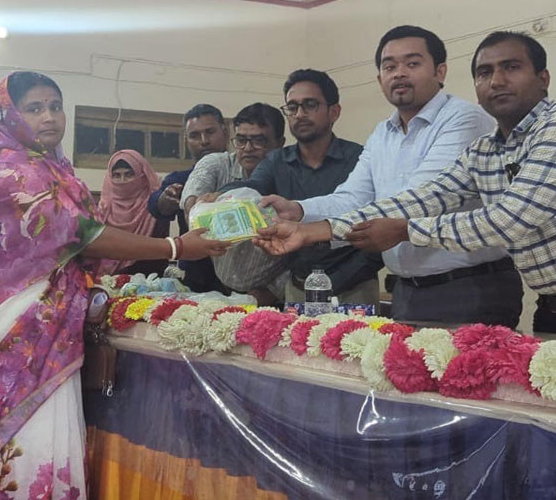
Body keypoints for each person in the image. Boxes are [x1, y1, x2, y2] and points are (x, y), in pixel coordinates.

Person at [0, 72, 228, 500]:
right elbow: (83, 236)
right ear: (9, 116)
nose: (49, 117)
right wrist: (177, 247)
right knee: (10, 452)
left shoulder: (57, 171)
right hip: (8, 330)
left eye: (55, 106)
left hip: (50, 333)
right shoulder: (12, 174)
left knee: (44, 444)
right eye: (34, 108)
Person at [256, 32, 556, 337]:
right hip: (554, 307)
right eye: (485, 73)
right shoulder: (485, 150)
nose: (496, 81)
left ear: (543, 78)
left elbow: (507, 221)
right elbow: (427, 198)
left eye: (511, 68)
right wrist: (311, 230)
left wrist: (405, 230)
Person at [262, 27, 521, 326]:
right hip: (407, 290)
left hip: (470, 287)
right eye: (389, 66)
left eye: (412, 63)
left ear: (440, 71)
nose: (399, 73)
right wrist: (297, 210)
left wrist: (315, 231)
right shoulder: (382, 133)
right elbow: (353, 197)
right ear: (379, 79)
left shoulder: (463, 119)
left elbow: (421, 199)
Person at [226, 69, 383, 304]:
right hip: (299, 286)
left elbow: (380, 220)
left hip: (355, 287)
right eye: (292, 107)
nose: (299, 114)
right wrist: (217, 196)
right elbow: (253, 186)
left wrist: (339, 279)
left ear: (334, 111)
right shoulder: (277, 161)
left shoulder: (360, 159)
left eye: (310, 105)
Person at [147, 104, 229, 291]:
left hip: (243, 281)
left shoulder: (245, 174)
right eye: (194, 136)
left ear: (225, 132)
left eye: (210, 132)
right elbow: (155, 205)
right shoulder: (180, 180)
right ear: (186, 141)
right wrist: (166, 200)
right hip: (196, 280)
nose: (204, 141)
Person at [181, 102, 286, 213]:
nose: (248, 148)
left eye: (258, 141)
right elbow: (192, 206)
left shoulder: (291, 172)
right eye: (241, 140)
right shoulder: (217, 164)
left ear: (279, 143)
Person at [99, 149, 168, 274]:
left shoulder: (155, 208)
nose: (123, 181)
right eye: (116, 175)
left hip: (148, 280)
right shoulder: (103, 210)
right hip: (104, 280)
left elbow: (159, 256)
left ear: (142, 175)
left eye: (129, 174)